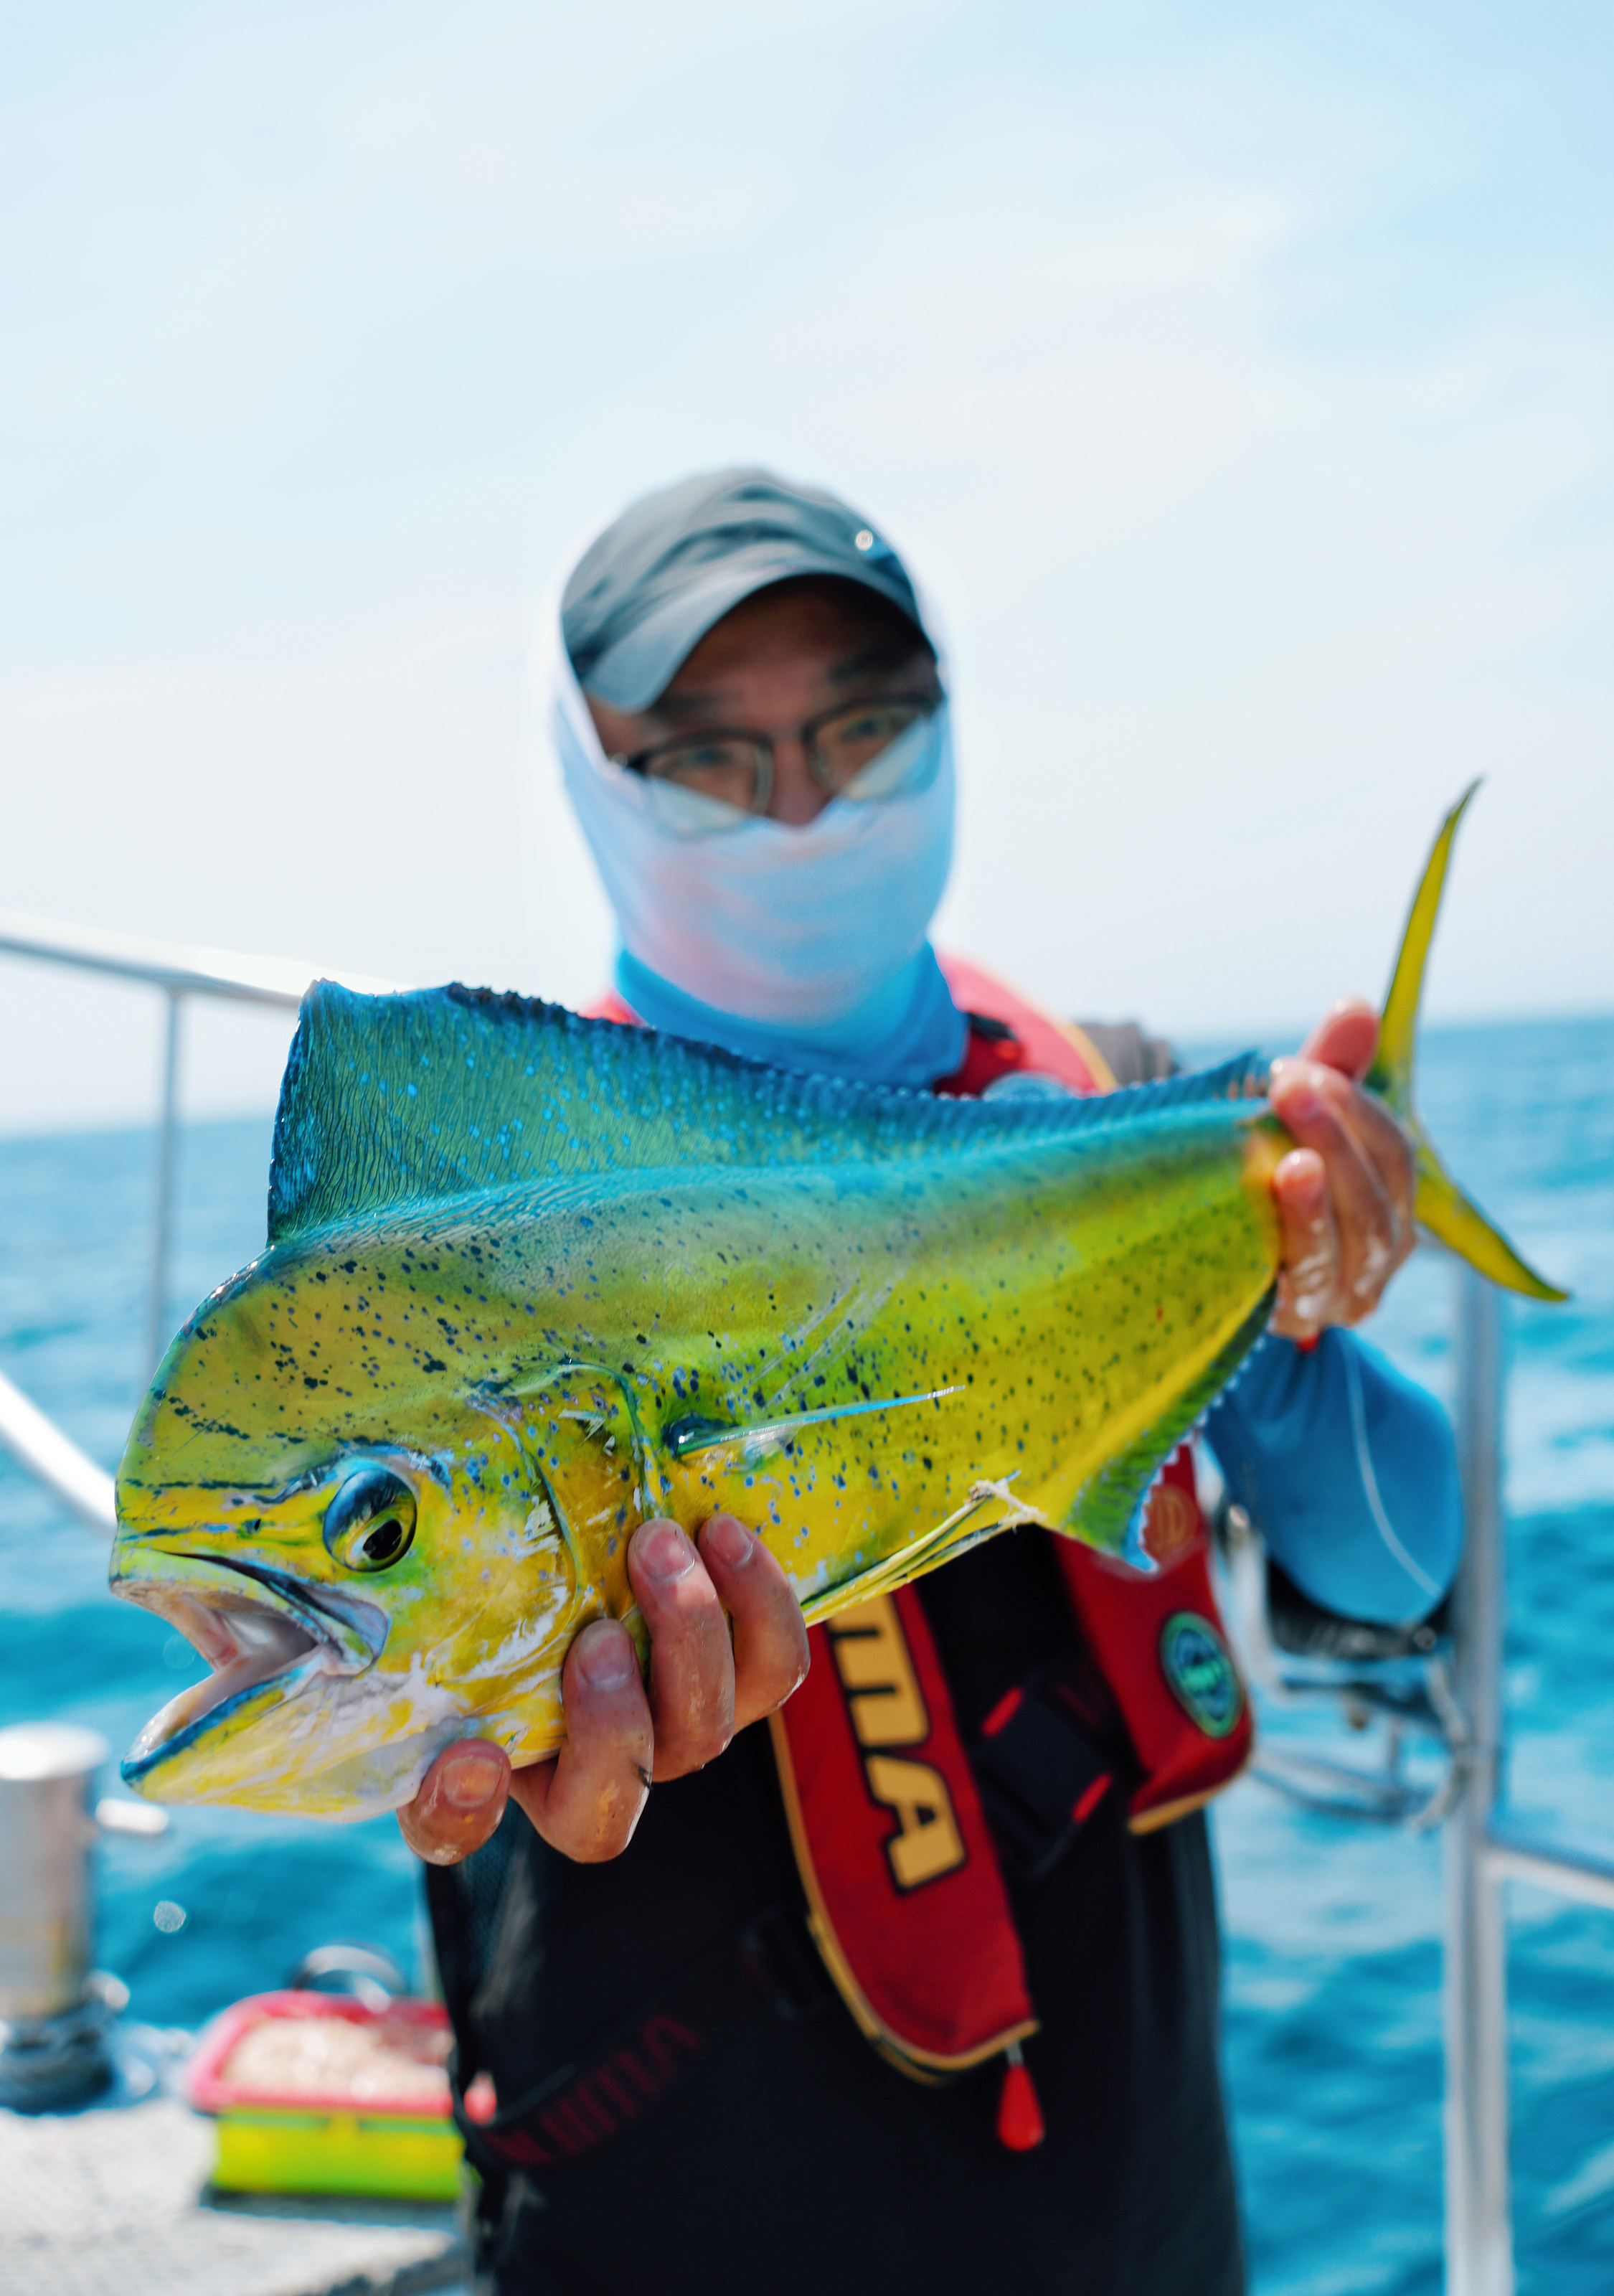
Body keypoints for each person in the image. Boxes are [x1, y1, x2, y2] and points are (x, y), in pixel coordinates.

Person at [397, 469, 1460, 2295]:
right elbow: (400, 1709)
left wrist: (1283, 1338)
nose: (800, 807)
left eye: (861, 730)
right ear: (588, 769)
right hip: (698, 2209)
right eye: (712, 758)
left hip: (1139, 2196)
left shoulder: (1120, 1112)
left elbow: (1394, 1557)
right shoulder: (490, 1234)